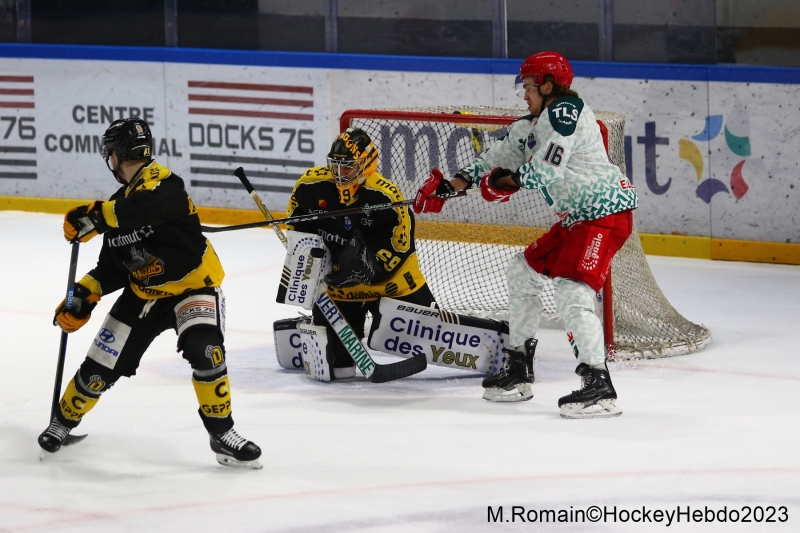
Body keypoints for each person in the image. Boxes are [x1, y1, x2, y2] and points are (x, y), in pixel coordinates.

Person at [413, 51, 637, 418]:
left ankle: (598, 385)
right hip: (575, 220)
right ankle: (518, 371)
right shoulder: (532, 125)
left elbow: (545, 172)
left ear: (548, 85)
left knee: (571, 290)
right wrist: (452, 186)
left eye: (529, 86)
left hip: (604, 215)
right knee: (522, 271)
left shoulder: (566, 112)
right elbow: (496, 159)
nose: (524, 94)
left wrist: (508, 182)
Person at [39, 117, 262, 468]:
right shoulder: (117, 207)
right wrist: (83, 296)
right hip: (143, 293)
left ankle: (222, 434)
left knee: (206, 352)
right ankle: (61, 423)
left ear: (115, 155)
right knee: (99, 368)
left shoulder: (165, 184)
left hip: (192, 288)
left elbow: (143, 208)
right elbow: (111, 269)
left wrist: (96, 216)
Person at [286, 128, 434, 379]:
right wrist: (306, 257)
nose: (340, 174)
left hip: (392, 286)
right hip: (339, 289)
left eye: (348, 167)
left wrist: (368, 268)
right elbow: (298, 229)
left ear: (365, 164)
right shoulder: (309, 186)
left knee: (433, 343)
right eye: (336, 166)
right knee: (337, 367)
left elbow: (401, 248)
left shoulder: (385, 195)